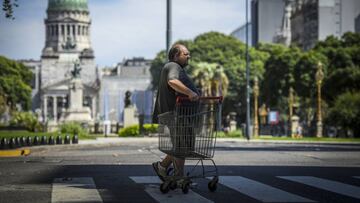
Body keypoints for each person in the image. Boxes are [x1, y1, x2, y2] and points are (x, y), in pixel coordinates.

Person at [152, 44, 199, 181]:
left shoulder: (174, 67)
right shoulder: (173, 66)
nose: (189, 56)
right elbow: (172, 81)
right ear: (176, 55)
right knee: (181, 146)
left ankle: (162, 166)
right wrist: (190, 92)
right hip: (176, 114)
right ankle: (178, 177)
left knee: (183, 146)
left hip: (179, 114)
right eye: (186, 54)